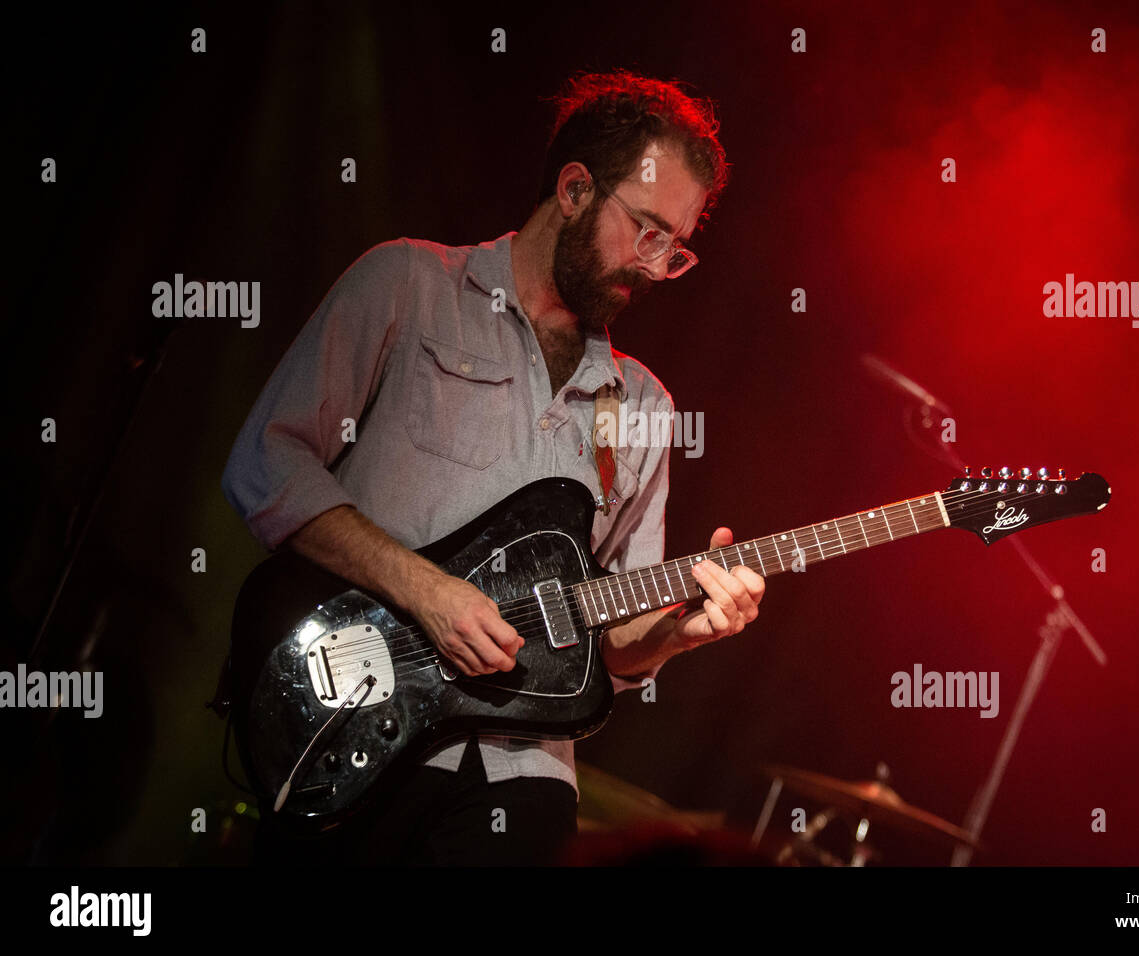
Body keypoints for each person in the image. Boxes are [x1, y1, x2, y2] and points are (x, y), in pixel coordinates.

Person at [221, 70, 765, 865]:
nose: (653, 266)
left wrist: (681, 630)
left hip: (524, 776)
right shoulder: (408, 283)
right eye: (646, 231)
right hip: (353, 719)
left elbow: (614, 642)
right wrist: (426, 591)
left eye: (674, 250)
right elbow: (267, 461)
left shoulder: (643, 404)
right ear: (575, 188)